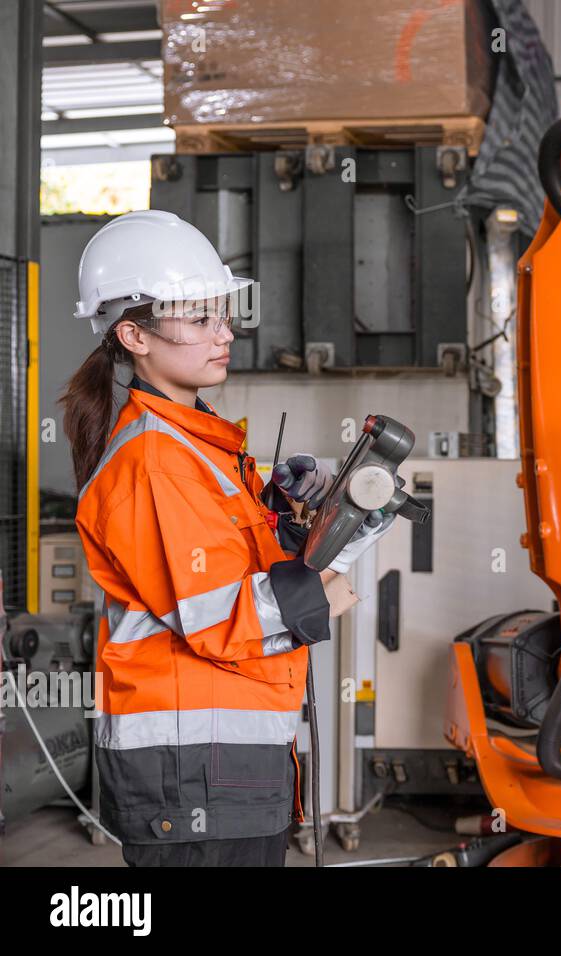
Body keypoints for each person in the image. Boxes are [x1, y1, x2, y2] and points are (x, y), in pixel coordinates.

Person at [63, 209, 395, 866]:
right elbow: (215, 616)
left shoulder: (200, 446)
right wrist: (315, 595)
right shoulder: (154, 460)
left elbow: (229, 561)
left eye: (222, 313)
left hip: (218, 768)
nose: (225, 333)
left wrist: (301, 510)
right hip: (192, 777)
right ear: (133, 334)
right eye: (199, 318)